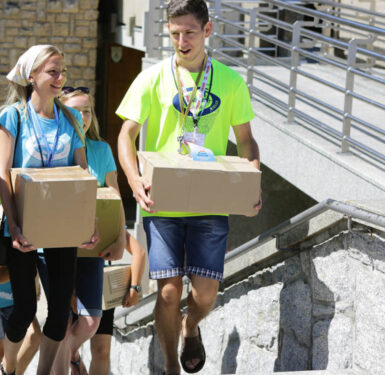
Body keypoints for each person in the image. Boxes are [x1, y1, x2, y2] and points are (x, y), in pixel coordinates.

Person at [116, 0, 262, 373]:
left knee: (205, 293)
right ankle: (169, 366)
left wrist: (252, 182)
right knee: (167, 292)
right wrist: (134, 181)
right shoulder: (152, 77)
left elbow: (246, 141)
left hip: (209, 201)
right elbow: (125, 136)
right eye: (175, 33)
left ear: (208, 31)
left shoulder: (230, 82)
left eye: (190, 33)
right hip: (161, 202)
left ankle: (191, 324)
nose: (181, 40)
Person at [0, 44, 98, 375]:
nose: (60, 77)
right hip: (23, 226)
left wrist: (89, 223)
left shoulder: (69, 118)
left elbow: (83, 175)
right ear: (31, 76)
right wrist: (14, 228)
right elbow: (3, 175)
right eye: (52, 71)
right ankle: (9, 366)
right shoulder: (13, 116)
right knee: (24, 309)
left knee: (58, 313)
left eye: (62, 70)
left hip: (62, 227)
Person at [58, 87, 147, 374]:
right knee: (62, 324)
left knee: (92, 328)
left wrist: (120, 238)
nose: (82, 116)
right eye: (75, 110)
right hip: (60, 248)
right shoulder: (55, 148)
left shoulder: (102, 150)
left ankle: (66, 356)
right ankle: (65, 360)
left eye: (86, 111)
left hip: (95, 250)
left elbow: (114, 195)